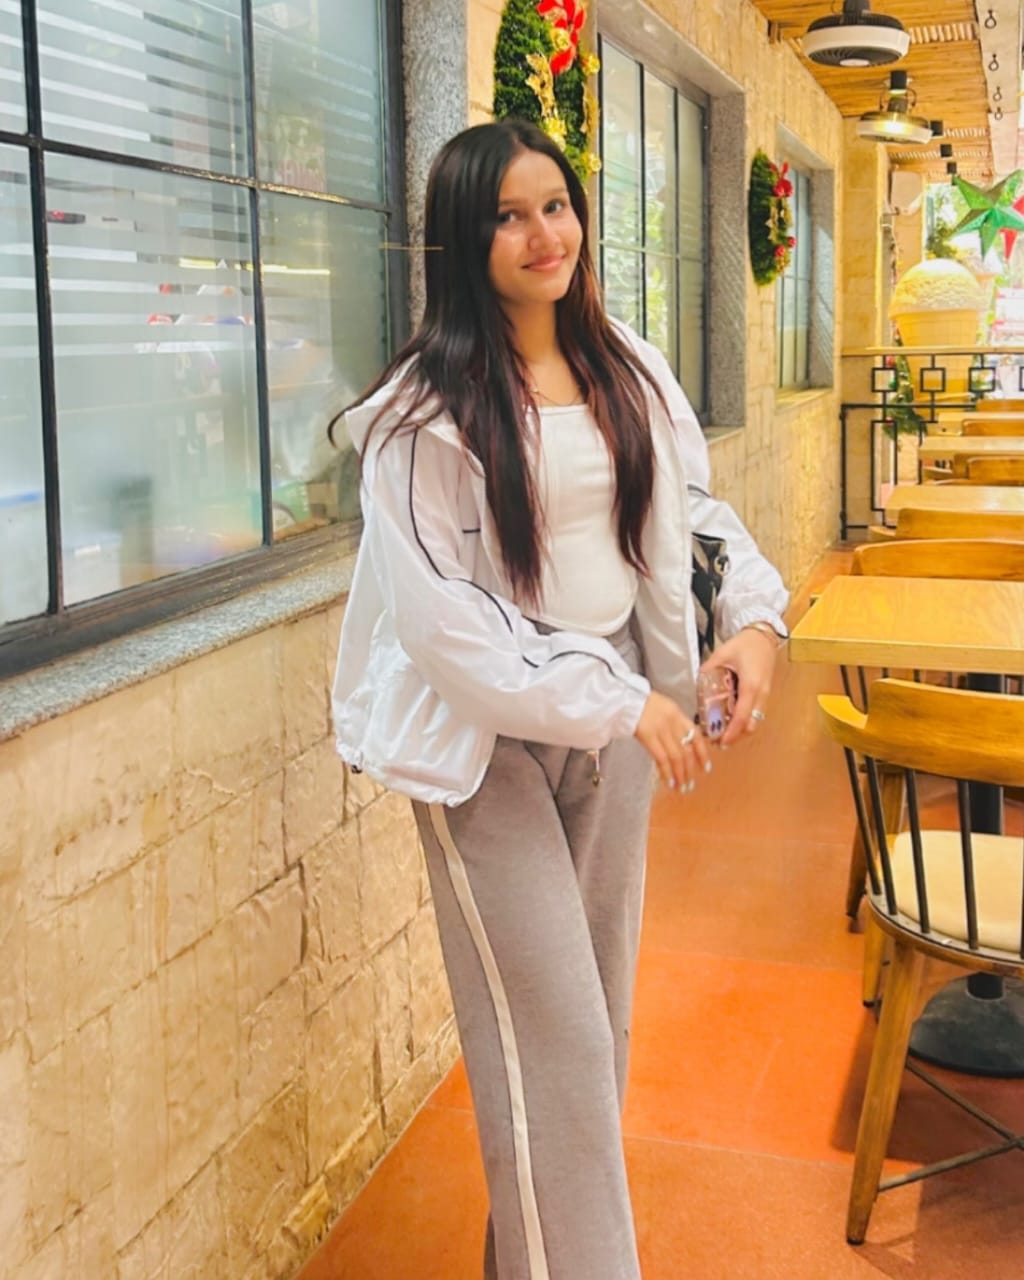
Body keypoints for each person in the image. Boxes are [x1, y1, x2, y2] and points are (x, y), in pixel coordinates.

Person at [330, 119, 788, 1280]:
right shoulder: (418, 413)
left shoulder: (624, 367)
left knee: (591, 1030)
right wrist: (616, 699)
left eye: (556, 205)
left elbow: (690, 517)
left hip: (617, 720)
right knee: (561, 1040)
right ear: (461, 236)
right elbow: (443, 626)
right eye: (508, 215)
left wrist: (751, 622)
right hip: (480, 743)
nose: (545, 235)